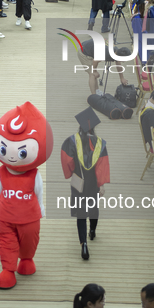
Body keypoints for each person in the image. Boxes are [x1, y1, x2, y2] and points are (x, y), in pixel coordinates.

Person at [61, 108, 109, 260]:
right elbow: (102, 166)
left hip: (78, 180)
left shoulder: (70, 141)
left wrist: (71, 172)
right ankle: (93, 231)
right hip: (93, 182)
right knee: (93, 207)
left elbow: (67, 160)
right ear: (93, 127)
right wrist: (101, 185)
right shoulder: (100, 143)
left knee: (81, 213)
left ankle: (84, 244)